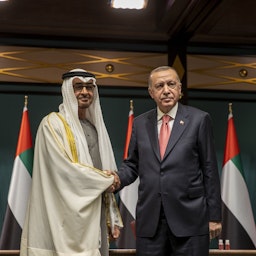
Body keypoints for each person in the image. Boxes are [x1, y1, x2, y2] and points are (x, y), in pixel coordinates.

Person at [117, 66, 222, 256]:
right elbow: (132, 165)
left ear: (180, 89)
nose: (166, 90)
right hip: (150, 222)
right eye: (159, 85)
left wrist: (214, 217)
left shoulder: (199, 119)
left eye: (171, 84)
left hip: (190, 220)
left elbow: (210, 169)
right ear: (151, 92)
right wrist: (114, 180)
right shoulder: (140, 124)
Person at [20, 68, 123, 256]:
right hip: (60, 218)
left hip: (93, 215)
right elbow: (66, 172)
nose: (85, 92)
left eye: (89, 87)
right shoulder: (52, 124)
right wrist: (108, 180)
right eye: (78, 87)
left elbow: (102, 170)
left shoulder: (95, 128)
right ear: (67, 90)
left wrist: (111, 216)